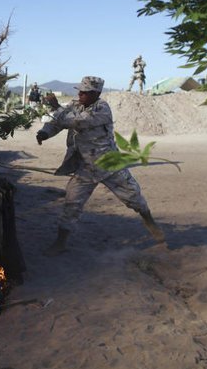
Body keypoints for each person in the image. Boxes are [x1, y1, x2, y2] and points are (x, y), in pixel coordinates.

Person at [36, 75, 166, 255]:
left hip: (109, 165)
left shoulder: (102, 109)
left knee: (134, 197)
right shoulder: (75, 106)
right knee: (71, 204)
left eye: (85, 92)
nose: (80, 94)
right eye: (80, 91)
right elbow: (56, 122)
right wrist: (44, 133)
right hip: (85, 168)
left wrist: (57, 107)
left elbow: (76, 121)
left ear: (96, 93)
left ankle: (151, 225)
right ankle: (60, 243)